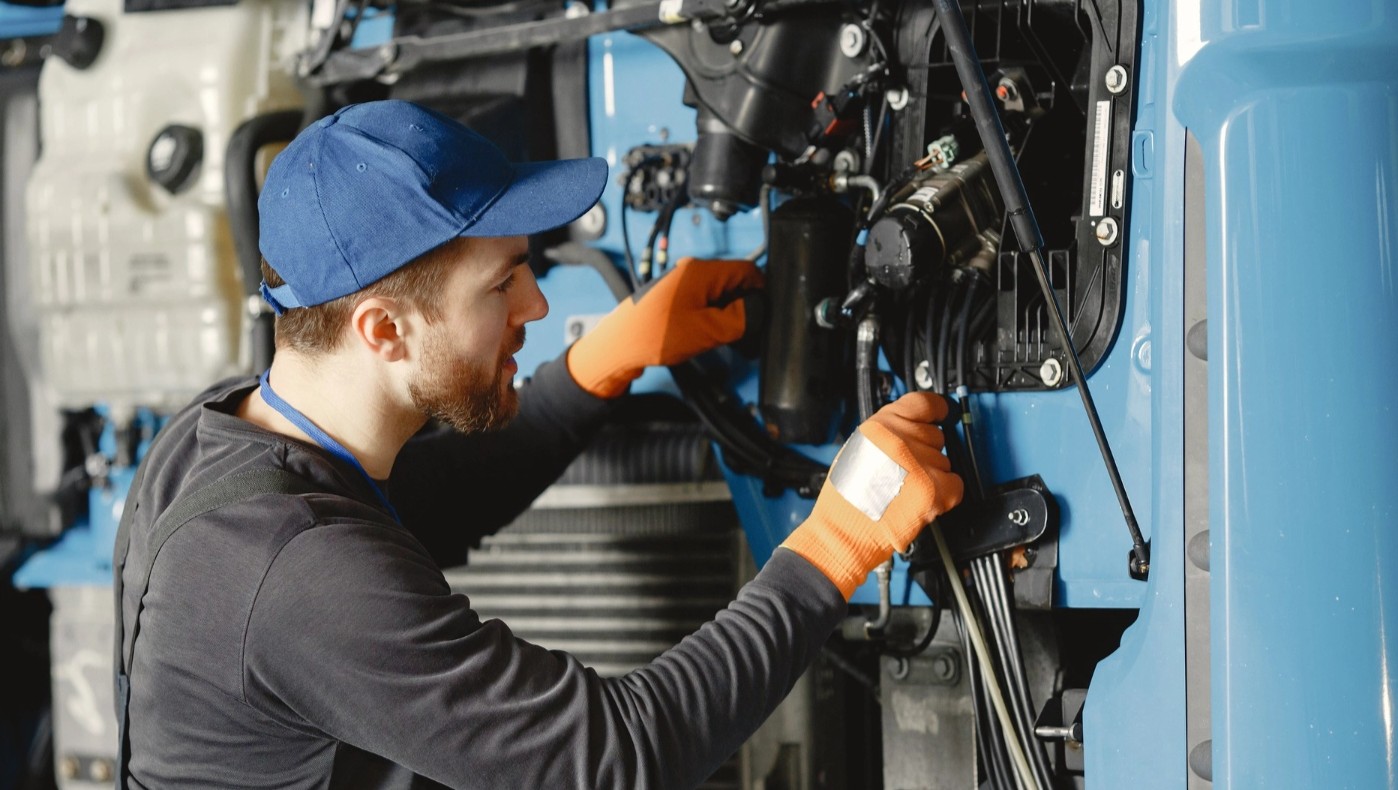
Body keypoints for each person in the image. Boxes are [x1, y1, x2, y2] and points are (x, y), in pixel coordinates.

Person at [113, 99, 963, 789]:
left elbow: (427, 504)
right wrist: (839, 543)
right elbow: (617, 759)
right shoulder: (297, 576)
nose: (537, 309)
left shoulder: (222, 437)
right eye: (501, 284)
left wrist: (603, 361)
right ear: (382, 330)